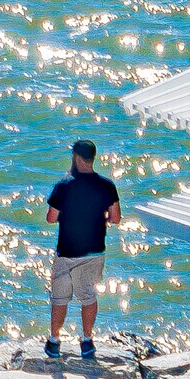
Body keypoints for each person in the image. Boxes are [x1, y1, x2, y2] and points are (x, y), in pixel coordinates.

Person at [44, 138, 121, 359]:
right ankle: (87, 341)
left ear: (77, 158)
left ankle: (55, 342)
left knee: (60, 298)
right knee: (88, 296)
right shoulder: (107, 185)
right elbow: (115, 218)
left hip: (68, 251)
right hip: (95, 250)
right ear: (93, 158)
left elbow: (51, 218)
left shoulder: (64, 185)